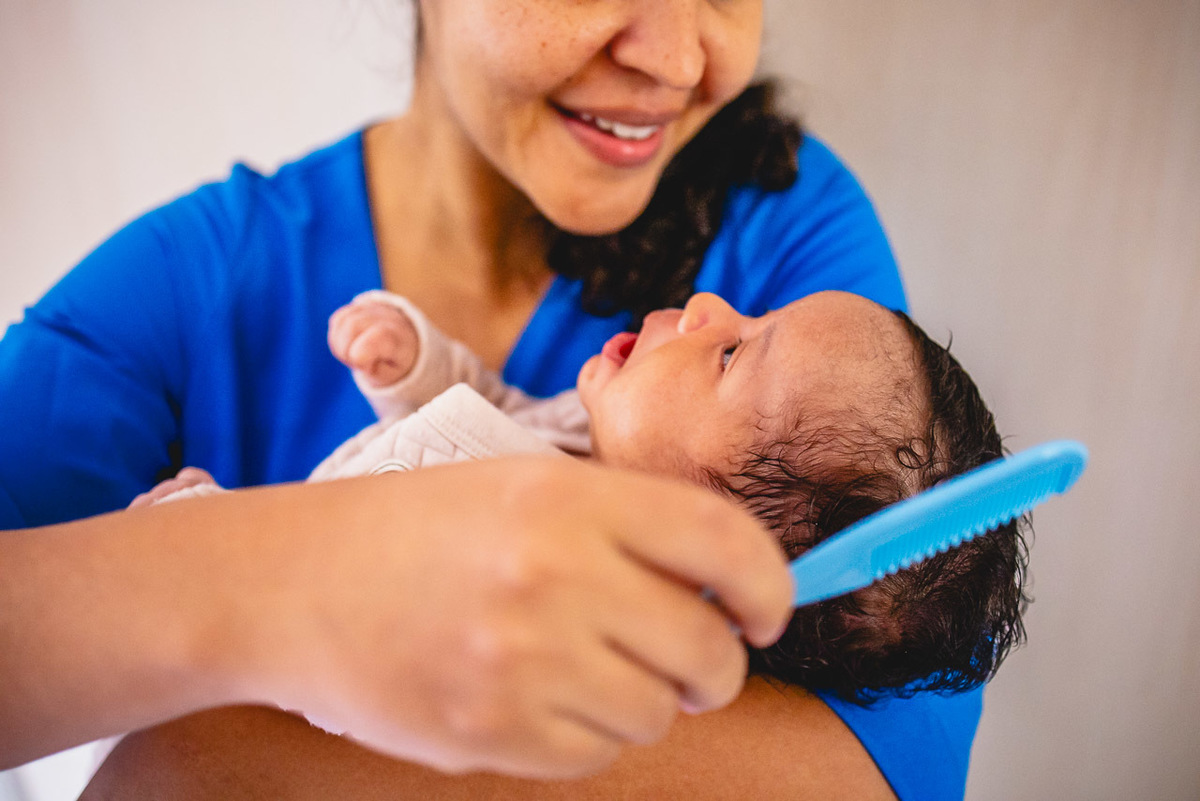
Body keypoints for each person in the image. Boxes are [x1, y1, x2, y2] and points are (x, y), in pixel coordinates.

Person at [0, 2, 982, 798]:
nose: (682, 59)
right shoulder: (186, 285)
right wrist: (255, 580)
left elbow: (894, 690)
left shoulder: (787, 227)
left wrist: (191, 746)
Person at [147, 287, 1026, 706]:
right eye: (751, 315)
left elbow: (333, 654)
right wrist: (416, 370)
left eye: (730, 352)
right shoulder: (581, 435)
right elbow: (490, 415)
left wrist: (208, 539)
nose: (709, 302)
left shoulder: (544, 605)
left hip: (218, 639)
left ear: (712, 537)